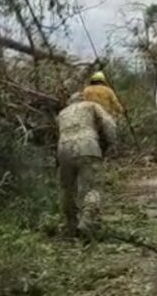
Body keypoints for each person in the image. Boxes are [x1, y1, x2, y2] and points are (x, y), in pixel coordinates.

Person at [56, 91, 117, 237]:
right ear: (83, 99)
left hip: (63, 149)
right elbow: (109, 124)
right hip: (88, 146)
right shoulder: (91, 105)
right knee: (92, 188)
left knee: (67, 190)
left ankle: (70, 225)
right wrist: (110, 143)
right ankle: (87, 222)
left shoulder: (62, 114)